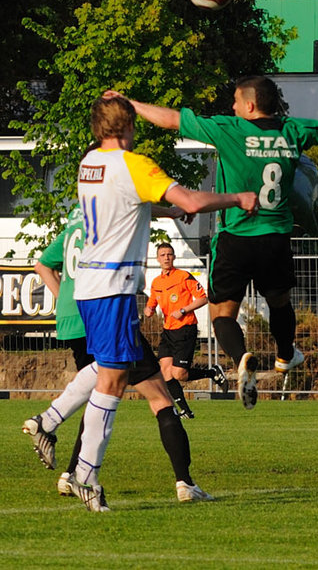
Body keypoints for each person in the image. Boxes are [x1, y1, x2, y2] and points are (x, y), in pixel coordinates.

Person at [103, 77, 318, 411]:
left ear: (250, 105)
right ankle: (285, 353)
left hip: (235, 237)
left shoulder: (229, 128)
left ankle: (240, 358)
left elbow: (173, 118)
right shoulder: (294, 130)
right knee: (280, 302)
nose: (232, 106)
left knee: (222, 315)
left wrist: (130, 104)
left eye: (235, 100)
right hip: (275, 239)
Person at [24, 94, 257, 512]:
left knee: (107, 369)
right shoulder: (137, 164)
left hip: (90, 287)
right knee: (112, 382)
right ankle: (84, 474)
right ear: (129, 126)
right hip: (114, 286)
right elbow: (190, 200)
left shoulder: (88, 163)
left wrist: (164, 211)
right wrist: (236, 198)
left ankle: (54, 429)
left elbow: (124, 203)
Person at [27, 202, 196, 497]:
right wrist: (175, 209)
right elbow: (136, 204)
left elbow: (41, 264)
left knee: (99, 393)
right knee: (159, 398)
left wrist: (68, 298)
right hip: (104, 313)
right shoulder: (106, 214)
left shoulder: (75, 220)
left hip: (73, 316)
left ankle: (70, 472)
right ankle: (185, 483)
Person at [144, 242, 228, 419]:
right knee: (165, 372)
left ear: (174, 257)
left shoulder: (183, 276)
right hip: (168, 331)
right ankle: (185, 411)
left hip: (185, 329)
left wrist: (183, 310)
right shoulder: (156, 282)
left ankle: (212, 372)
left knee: (179, 374)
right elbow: (151, 303)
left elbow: (202, 298)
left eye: (169, 254)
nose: (166, 257)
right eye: (163, 255)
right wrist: (148, 310)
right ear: (158, 258)